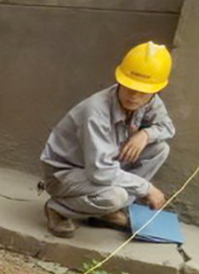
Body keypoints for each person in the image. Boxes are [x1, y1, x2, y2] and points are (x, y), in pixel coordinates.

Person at [40, 41, 175, 238]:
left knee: (160, 148)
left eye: (143, 92)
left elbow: (168, 127)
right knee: (115, 196)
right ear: (120, 80)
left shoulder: (151, 101)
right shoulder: (96, 111)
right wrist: (147, 189)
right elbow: (101, 172)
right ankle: (59, 208)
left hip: (100, 166)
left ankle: (104, 212)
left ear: (155, 91)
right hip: (65, 174)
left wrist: (145, 134)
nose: (135, 97)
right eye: (129, 88)